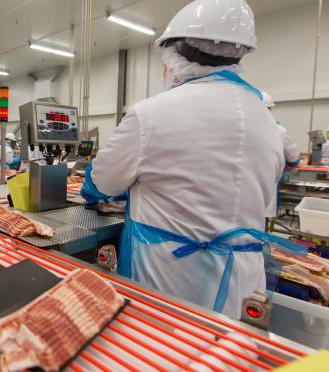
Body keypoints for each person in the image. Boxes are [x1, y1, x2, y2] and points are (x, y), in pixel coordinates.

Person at [86, 0, 305, 318]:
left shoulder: (153, 113)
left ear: (174, 55)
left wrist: (100, 185)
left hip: (169, 275)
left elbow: (101, 182)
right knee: (228, 356)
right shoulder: (268, 121)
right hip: (244, 277)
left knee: (162, 353)